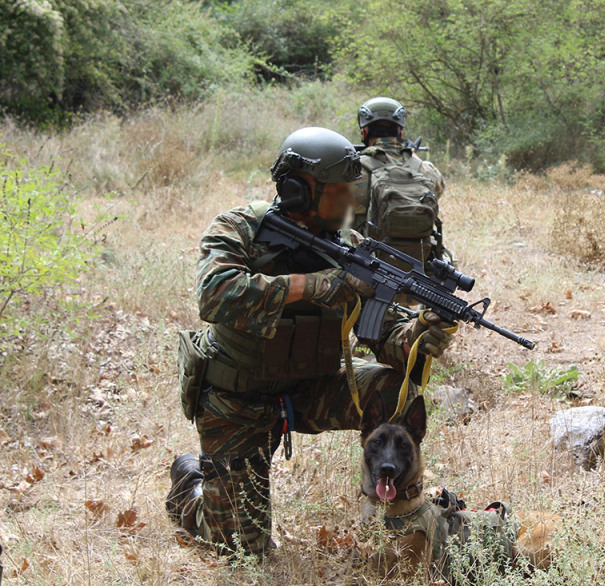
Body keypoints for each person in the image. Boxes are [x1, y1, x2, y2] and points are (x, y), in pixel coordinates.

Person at [165, 126, 455, 556]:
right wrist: (313, 285)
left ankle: (395, 511)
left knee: (398, 390)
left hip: (309, 388)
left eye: (350, 190)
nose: (349, 202)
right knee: (242, 550)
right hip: (237, 398)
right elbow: (216, 294)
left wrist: (422, 333)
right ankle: (190, 487)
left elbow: (387, 334)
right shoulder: (240, 227)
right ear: (298, 190)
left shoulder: (350, 246)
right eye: (337, 192)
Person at [351, 97, 450, 268]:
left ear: (365, 132)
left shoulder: (353, 171)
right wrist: (413, 159)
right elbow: (438, 188)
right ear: (401, 132)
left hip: (367, 270)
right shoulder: (425, 170)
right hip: (420, 272)